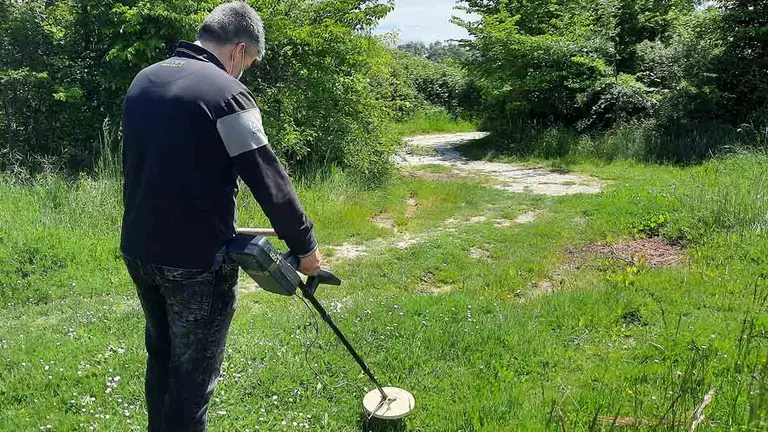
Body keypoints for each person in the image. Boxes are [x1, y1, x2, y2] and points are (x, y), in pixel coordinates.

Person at [120, 2, 322, 431]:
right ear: (239, 49)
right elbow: (267, 178)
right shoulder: (225, 94)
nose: (243, 72)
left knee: (162, 360)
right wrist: (305, 247)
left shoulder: (144, 81)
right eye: (248, 63)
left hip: (140, 251)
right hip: (195, 264)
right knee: (192, 384)